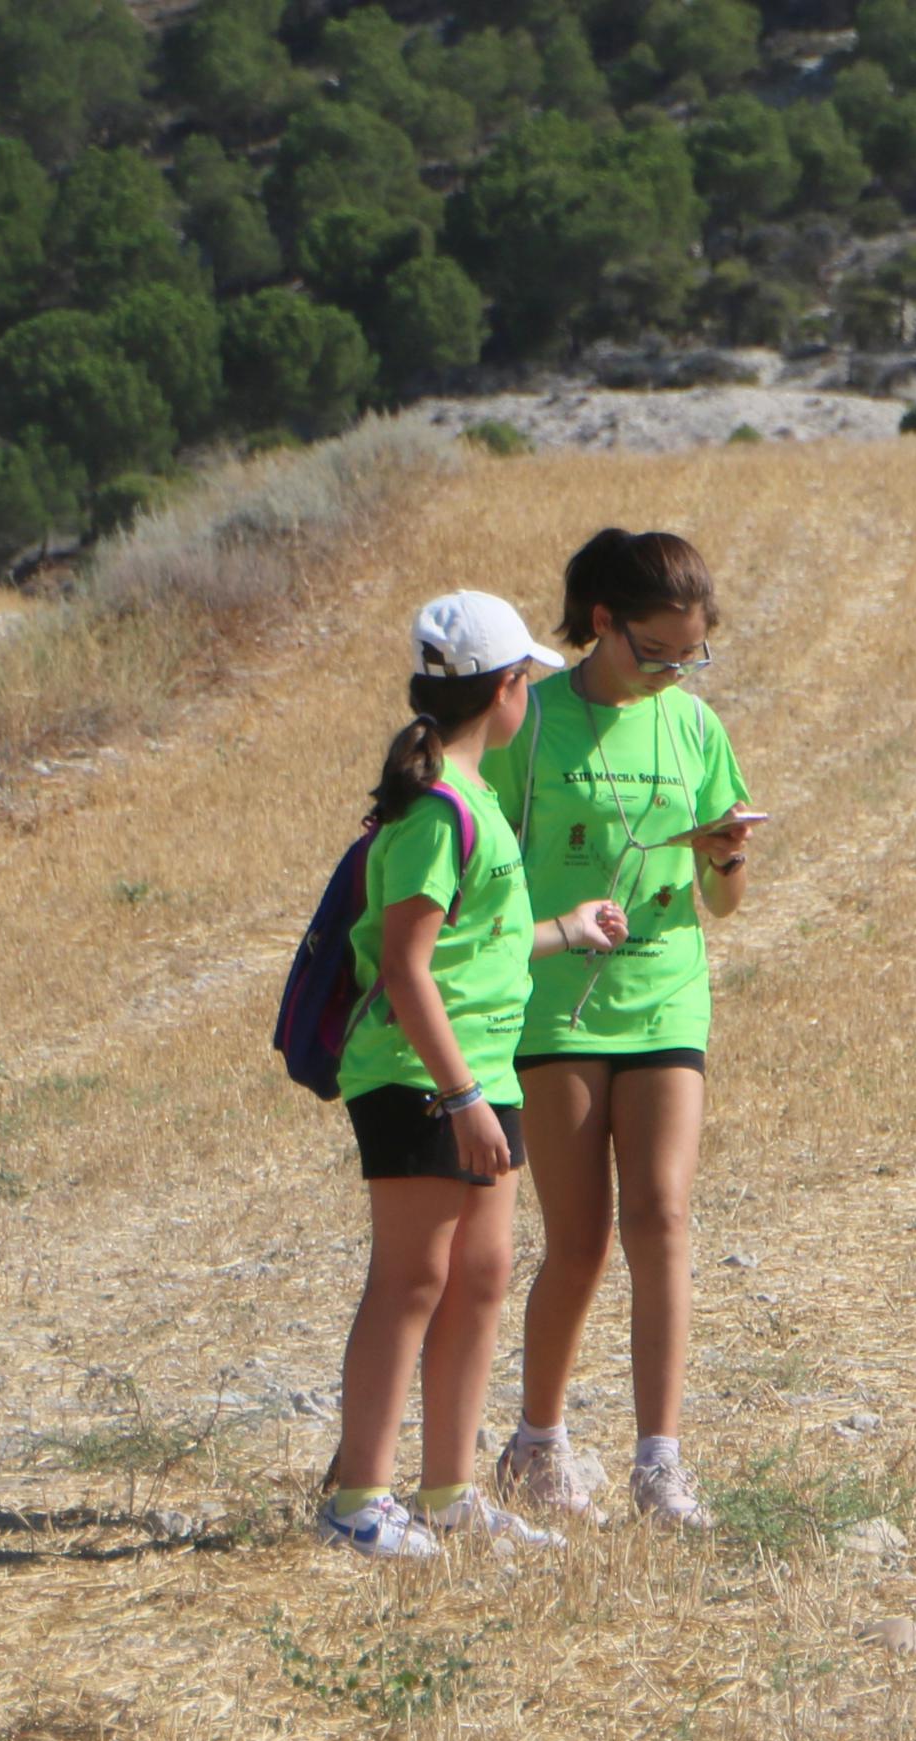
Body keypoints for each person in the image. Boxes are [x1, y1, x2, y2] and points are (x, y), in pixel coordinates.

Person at [320, 590, 632, 1564]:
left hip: (478, 1071)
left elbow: (474, 947)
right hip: (421, 1075)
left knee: (480, 1276)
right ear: (504, 690)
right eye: (526, 682)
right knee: (413, 1278)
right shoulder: (434, 812)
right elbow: (407, 969)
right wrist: (457, 1097)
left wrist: (562, 931)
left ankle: (449, 1489)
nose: (529, 696)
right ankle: (355, 1498)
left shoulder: (473, 800)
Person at [485, 529, 762, 1536]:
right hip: (552, 1003)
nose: (672, 673)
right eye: (655, 653)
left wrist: (725, 858)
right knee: (581, 1241)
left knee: (661, 1219)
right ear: (599, 623)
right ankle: (536, 1444)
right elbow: (483, 868)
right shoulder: (529, 725)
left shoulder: (693, 729)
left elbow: (722, 905)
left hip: (664, 994)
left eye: (689, 656)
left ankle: (659, 1467)